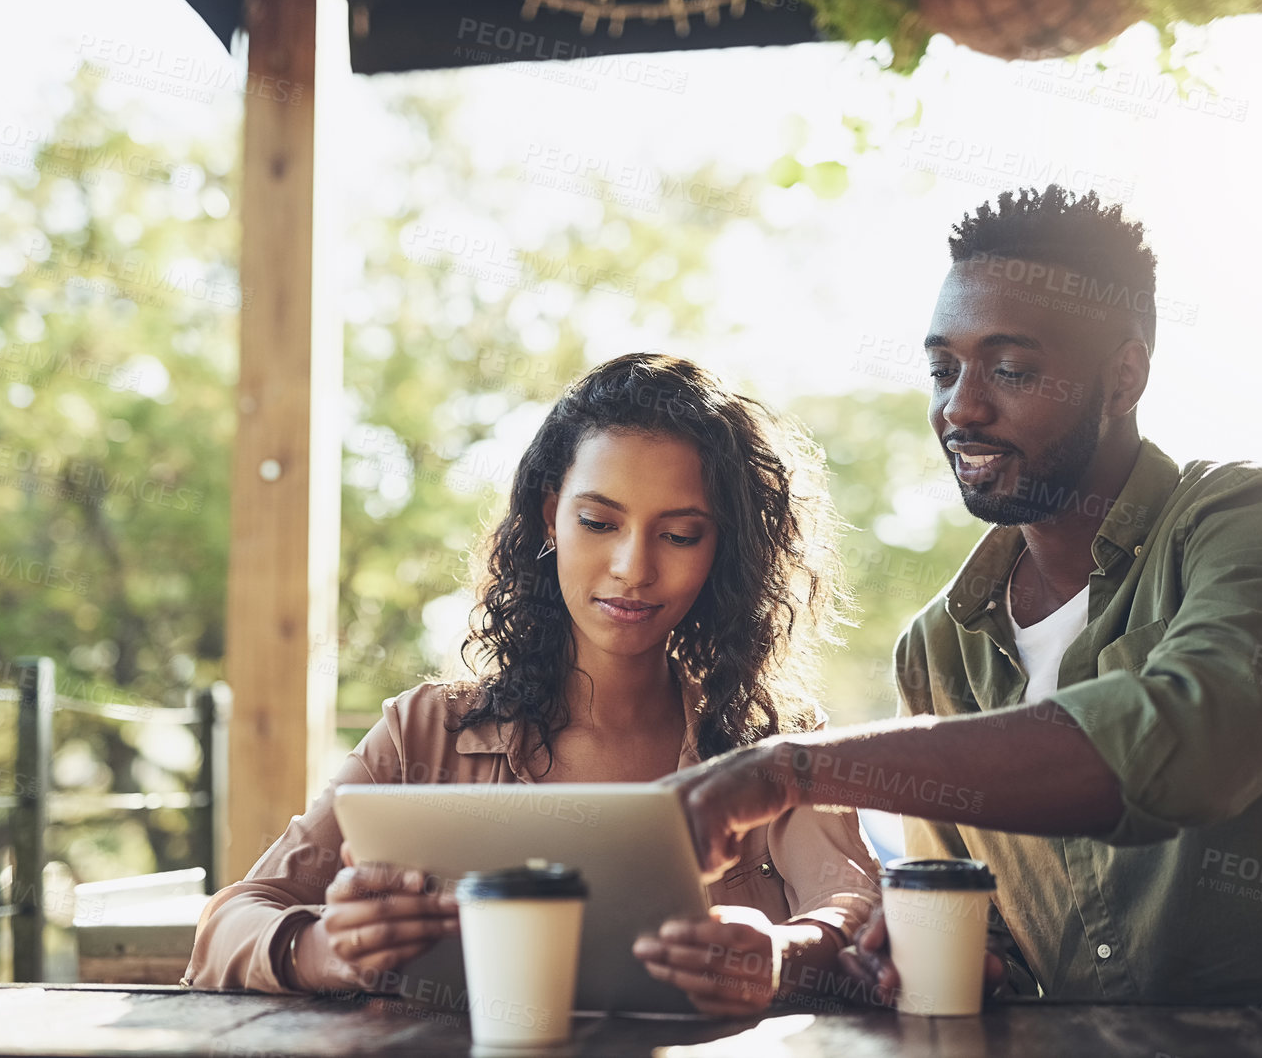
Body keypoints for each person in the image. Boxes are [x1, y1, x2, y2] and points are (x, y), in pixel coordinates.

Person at [669, 186, 1262, 1006]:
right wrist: (887, 956)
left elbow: (1186, 745)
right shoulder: (938, 647)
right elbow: (987, 938)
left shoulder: (1257, 523)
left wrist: (794, 768)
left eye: (1011, 369)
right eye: (942, 369)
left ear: (1122, 377)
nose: (961, 407)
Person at [186, 352, 880, 1014]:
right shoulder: (425, 732)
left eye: (679, 534)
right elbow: (228, 924)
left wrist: (785, 954)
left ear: (723, 548)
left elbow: (859, 914)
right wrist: (328, 949)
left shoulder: (774, 742)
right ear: (550, 516)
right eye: (597, 521)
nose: (631, 568)